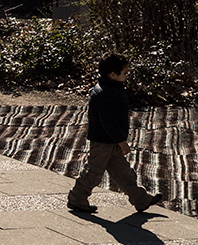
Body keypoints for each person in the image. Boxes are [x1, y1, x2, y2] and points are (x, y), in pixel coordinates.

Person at [67, 54, 164, 214]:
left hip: (110, 141)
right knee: (93, 172)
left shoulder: (110, 90)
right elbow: (108, 122)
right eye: (125, 73)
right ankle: (77, 198)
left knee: (124, 173)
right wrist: (121, 141)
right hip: (103, 142)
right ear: (113, 74)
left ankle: (141, 199)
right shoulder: (107, 94)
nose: (127, 76)